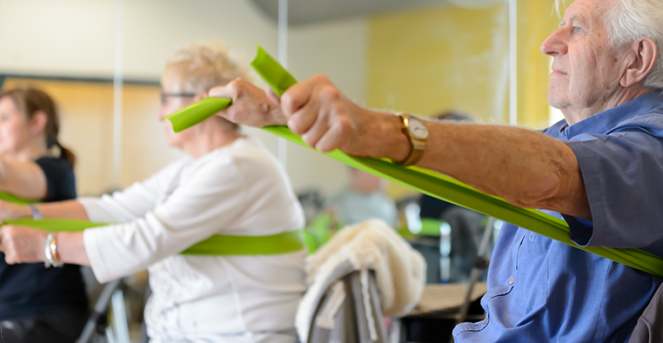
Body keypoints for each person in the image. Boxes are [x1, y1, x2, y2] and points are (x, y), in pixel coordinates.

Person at [207, 0, 663, 341]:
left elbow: (554, 174)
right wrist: (284, 116)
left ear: (636, 60)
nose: (549, 42)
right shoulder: (567, 139)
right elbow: (453, 165)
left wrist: (377, 129)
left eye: (577, 28)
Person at [0, 42, 306, 343]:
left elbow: (148, 238)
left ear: (200, 103)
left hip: (234, 335)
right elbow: (116, 208)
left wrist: (46, 246)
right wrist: (24, 213)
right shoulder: (192, 169)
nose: (160, 114)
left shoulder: (235, 167)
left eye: (165, 99)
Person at [0, 88, 88, 343]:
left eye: (4, 118)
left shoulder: (56, 171)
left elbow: (5, 174)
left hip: (46, 316)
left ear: (37, 122)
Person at [325, 167, 397, 226]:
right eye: (373, 168)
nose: (381, 175)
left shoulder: (387, 203)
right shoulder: (336, 204)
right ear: (356, 170)